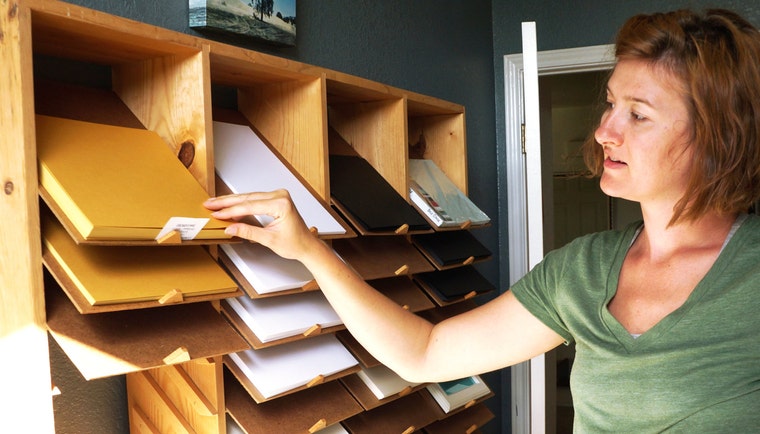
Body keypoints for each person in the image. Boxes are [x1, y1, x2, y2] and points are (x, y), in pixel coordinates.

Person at [205, 8, 760, 432]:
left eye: (637, 115)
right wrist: (309, 250)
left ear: (719, 134)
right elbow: (425, 353)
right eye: (610, 104)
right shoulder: (581, 271)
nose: (604, 131)